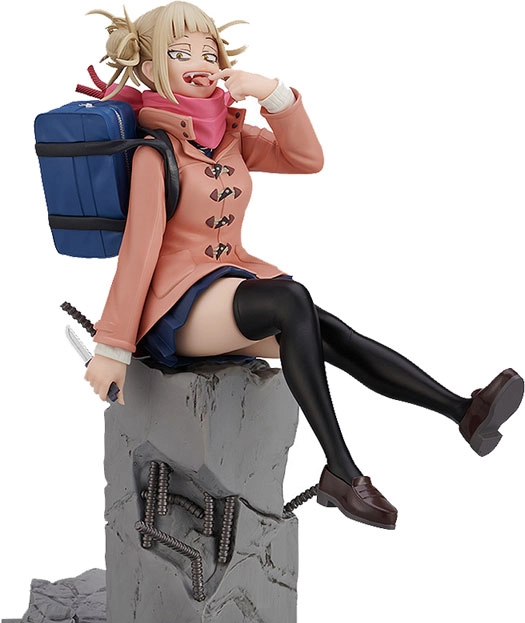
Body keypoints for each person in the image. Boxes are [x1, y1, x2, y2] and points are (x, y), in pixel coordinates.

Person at [84, 1, 523, 531]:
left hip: (227, 285)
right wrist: (112, 347)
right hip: (176, 308)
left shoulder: (229, 135)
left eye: (209, 52)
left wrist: (272, 93)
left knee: (325, 329)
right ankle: (343, 470)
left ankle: (463, 412)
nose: (200, 63)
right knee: (291, 300)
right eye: (181, 54)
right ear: (152, 67)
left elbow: (306, 159)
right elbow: (138, 251)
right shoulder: (154, 152)